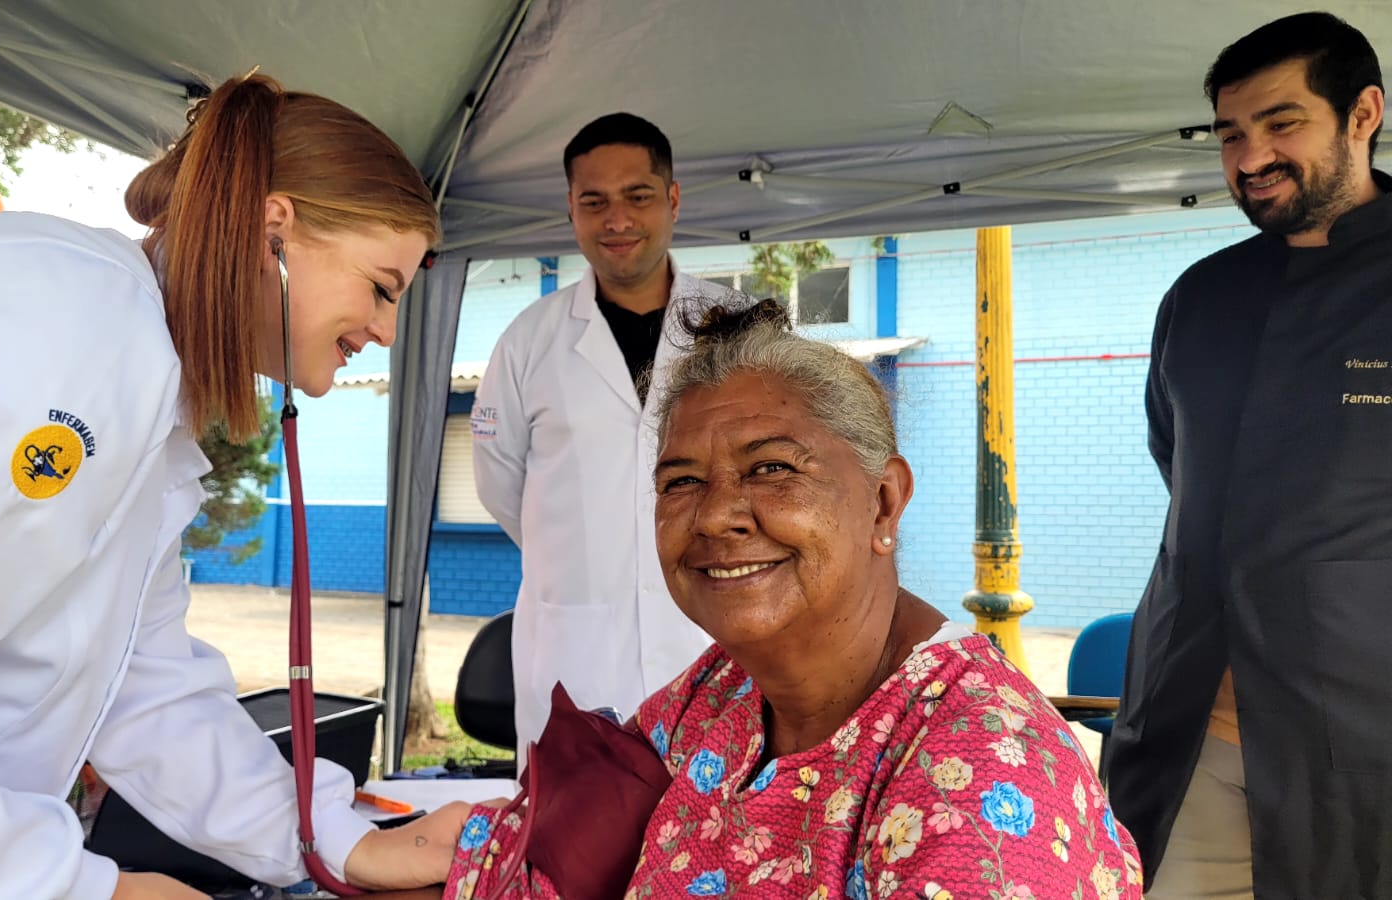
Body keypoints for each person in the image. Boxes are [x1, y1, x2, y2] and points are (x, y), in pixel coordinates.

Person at [0, 73, 473, 899]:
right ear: (275, 230)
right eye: (381, 287)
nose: (387, 331)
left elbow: (143, 684)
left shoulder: (139, 381)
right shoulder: (64, 324)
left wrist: (343, 840)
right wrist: (74, 888)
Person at [445, 300, 1143, 898]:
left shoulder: (983, 771)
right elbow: (559, 835)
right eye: (681, 481)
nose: (717, 516)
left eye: (772, 468)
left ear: (882, 501)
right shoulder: (722, 693)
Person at [1103, 12, 1391, 899]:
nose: (1249, 156)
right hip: (1186, 729)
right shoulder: (1201, 297)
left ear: (1363, 114)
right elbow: (1180, 469)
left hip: (1360, 751)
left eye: (1281, 123)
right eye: (1231, 133)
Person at [470, 113, 736, 763]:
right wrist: (592, 548)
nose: (616, 219)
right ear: (571, 209)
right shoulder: (529, 341)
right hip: (575, 660)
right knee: (578, 852)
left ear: (672, 199)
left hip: (713, 647)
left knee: (719, 844)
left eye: (638, 196)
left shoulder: (736, 328)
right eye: (595, 201)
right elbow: (501, 485)